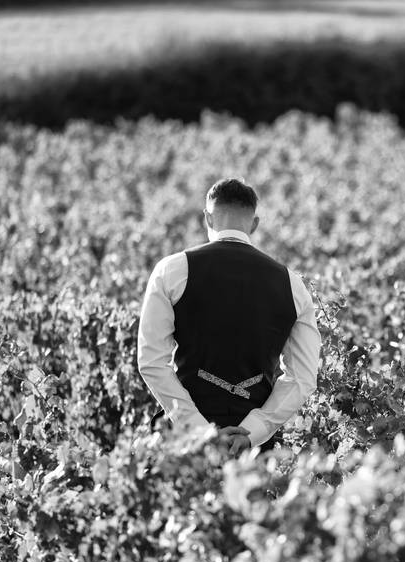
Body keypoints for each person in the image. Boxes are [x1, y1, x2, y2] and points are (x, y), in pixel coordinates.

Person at [137, 177, 320, 455]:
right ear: (255, 223)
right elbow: (302, 379)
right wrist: (253, 431)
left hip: (183, 446)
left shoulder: (172, 270)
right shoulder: (292, 285)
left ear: (207, 218)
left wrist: (200, 431)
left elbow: (151, 362)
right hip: (252, 452)